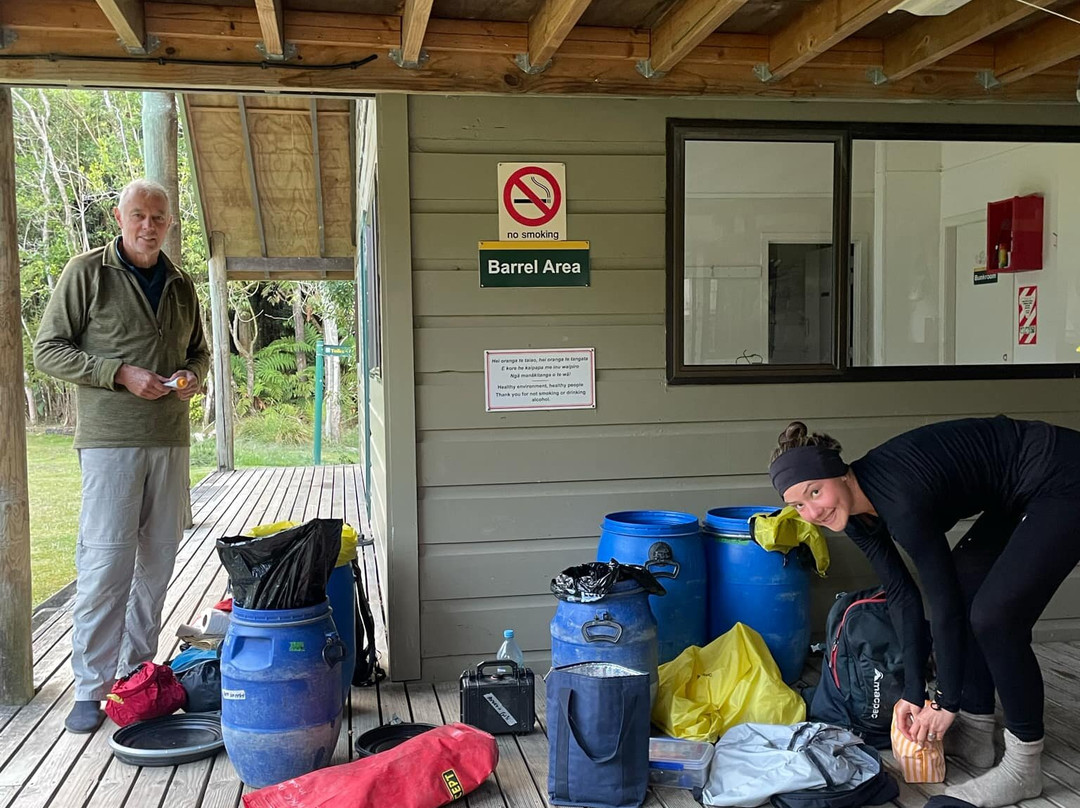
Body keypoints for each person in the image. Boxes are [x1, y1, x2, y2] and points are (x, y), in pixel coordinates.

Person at [768, 416, 1080, 808]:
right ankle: (976, 732)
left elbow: (942, 602)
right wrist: (913, 694)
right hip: (1014, 490)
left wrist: (944, 699)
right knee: (969, 588)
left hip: (1064, 473)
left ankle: (1023, 765)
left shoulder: (900, 499)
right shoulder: (855, 514)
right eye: (798, 504)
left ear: (842, 474)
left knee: (995, 617)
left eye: (815, 492)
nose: (812, 512)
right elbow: (902, 594)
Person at [34, 178, 210, 733]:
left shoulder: (182, 284)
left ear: (170, 222)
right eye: (138, 215)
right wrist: (118, 373)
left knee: (156, 563)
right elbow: (48, 349)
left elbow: (200, 354)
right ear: (119, 216)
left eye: (159, 217)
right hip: (111, 442)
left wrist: (191, 377)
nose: (148, 226)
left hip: (170, 439)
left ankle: (133, 677)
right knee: (107, 563)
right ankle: (90, 686)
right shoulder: (87, 273)